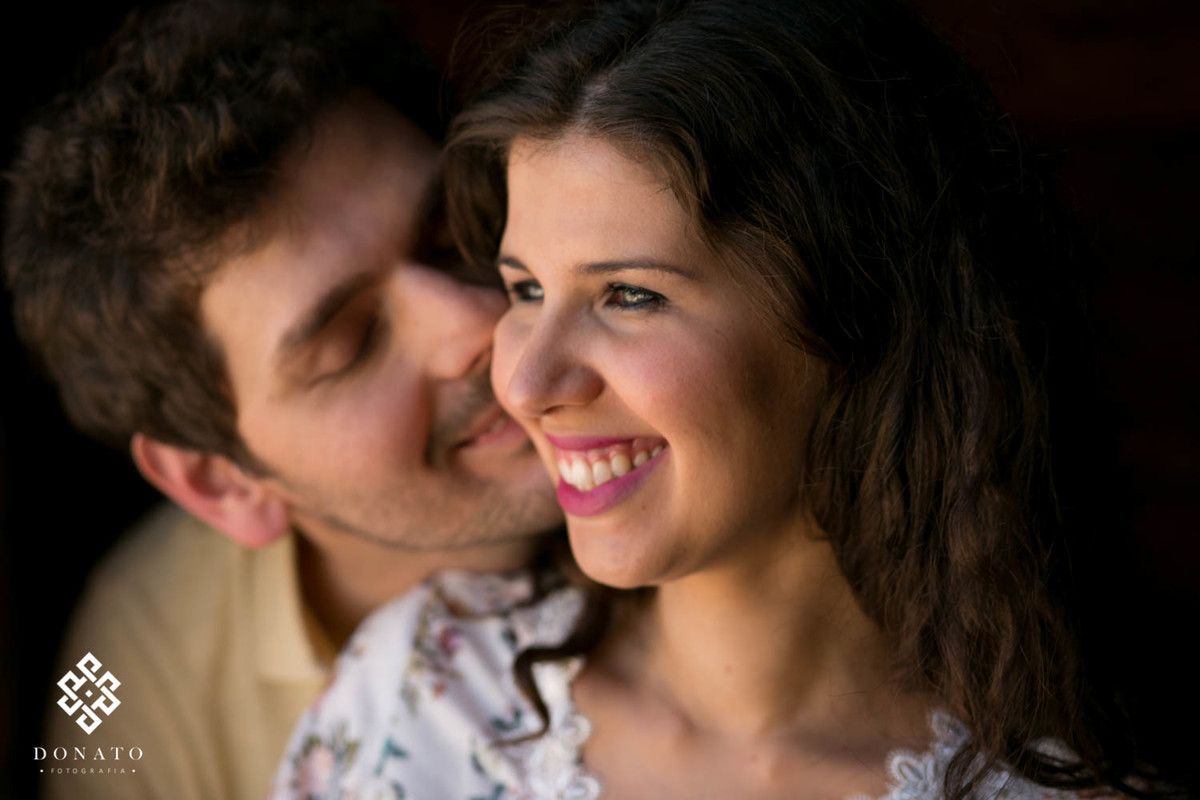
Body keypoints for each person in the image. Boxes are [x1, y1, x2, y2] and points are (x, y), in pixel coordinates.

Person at [268, 0, 1192, 798]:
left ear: (859, 320)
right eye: (526, 290)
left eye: (630, 296)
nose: (524, 385)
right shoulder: (417, 697)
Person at [1, 1, 564, 798]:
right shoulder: (127, 668)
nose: (477, 320)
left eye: (451, 236)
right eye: (353, 344)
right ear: (222, 483)